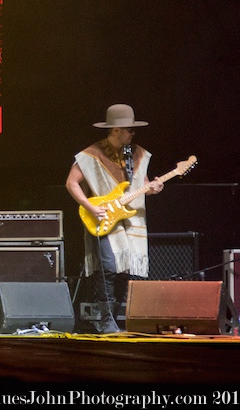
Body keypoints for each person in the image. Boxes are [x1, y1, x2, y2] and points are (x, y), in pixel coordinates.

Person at [65, 104, 162, 334]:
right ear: (115, 130)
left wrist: (153, 188)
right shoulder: (92, 154)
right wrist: (90, 206)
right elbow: (71, 182)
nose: (132, 133)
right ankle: (105, 319)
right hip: (103, 217)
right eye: (129, 129)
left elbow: (142, 184)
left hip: (128, 220)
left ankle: (117, 317)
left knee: (125, 270)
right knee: (108, 267)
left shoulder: (136, 154)